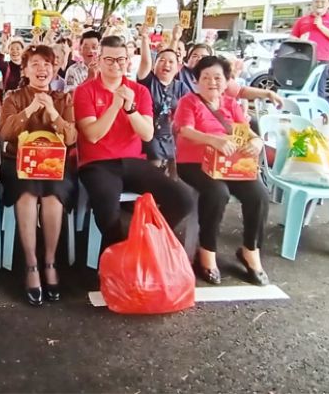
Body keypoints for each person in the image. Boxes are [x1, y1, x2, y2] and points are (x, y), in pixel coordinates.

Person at [74, 36, 195, 249]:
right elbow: (93, 135)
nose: (115, 65)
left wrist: (130, 108)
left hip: (133, 161)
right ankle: (119, 254)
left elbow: (147, 134)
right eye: (109, 60)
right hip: (97, 164)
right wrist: (114, 105)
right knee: (108, 211)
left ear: (128, 60)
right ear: (99, 61)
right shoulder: (85, 91)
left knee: (183, 199)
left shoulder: (139, 91)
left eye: (121, 59)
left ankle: (141, 242)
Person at [173, 55, 269, 286]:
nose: (212, 82)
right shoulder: (189, 102)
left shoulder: (230, 104)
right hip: (194, 163)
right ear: (197, 81)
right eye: (205, 77)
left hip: (230, 165)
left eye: (218, 77)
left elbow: (246, 133)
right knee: (217, 193)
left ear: (227, 81)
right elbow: (185, 130)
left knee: (259, 194)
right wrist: (212, 140)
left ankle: (250, 250)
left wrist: (257, 142)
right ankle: (206, 252)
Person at [0, 46, 77, 306]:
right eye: (35, 64)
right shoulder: (14, 97)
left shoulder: (63, 98)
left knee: (53, 197)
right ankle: (31, 264)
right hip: (18, 163)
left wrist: (53, 112)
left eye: (47, 64)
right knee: (28, 194)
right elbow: (6, 133)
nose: (42, 69)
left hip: (54, 164)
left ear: (55, 69)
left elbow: (72, 138)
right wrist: (30, 108)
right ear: (25, 69)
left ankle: (50, 261)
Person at [136, 30, 193, 177]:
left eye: (171, 62)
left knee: (175, 177)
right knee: (154, 175)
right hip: (150, 138)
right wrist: (144, 38)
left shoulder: (181, 87)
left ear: (177, 67)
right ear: (154, 65)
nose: (166, 64)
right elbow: (145, 61)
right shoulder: (148, 82)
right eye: (161, 60)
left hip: (172, 139)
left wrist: (175, 39)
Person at [290, 0, 329, 99]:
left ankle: (318, 113)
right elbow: (291, 37)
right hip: (303, 59)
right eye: (316, 1)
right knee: (300, 87)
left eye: (323, 2)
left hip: (322, 59)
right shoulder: (302, 20)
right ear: (312, 3)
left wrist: (321, 26)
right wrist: (300, 40)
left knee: (318, 89)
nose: (319, 4)